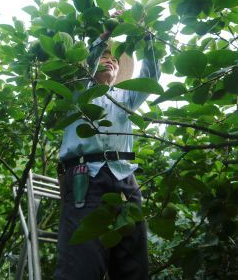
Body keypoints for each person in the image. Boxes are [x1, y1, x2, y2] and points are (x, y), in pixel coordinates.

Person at [55, 17, 160, 280]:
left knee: (133, 262)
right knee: (81, 263)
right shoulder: (78, 93)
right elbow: (84, 68)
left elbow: (152, 76)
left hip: (125, 178)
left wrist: (147, 37)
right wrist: (103, 38)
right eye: (105, 57)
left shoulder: (126, 97)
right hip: (85, 177)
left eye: (114, 59)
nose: (111, 60)